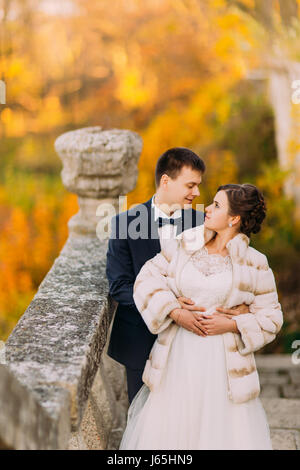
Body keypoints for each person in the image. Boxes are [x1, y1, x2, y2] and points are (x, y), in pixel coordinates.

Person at [119, 183, 283, 450]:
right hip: (177, 358)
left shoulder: (256, 263)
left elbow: (272, 318)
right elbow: (146, 279)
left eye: (216, 205)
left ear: (234, 218)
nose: (206, 208)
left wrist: (232, 323)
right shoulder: (185, 243)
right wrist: (174, 310)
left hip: (224, 367)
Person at [105, 148, 249, 404]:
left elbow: (231, 268)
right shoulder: (124, 224)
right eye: (190, 185)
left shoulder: (206, 222)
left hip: (195, 341)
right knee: (143, 422)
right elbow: (119, 287)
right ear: (166, 181)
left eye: (198, 186)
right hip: (140, 340)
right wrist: (169, 306)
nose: (196, 193)